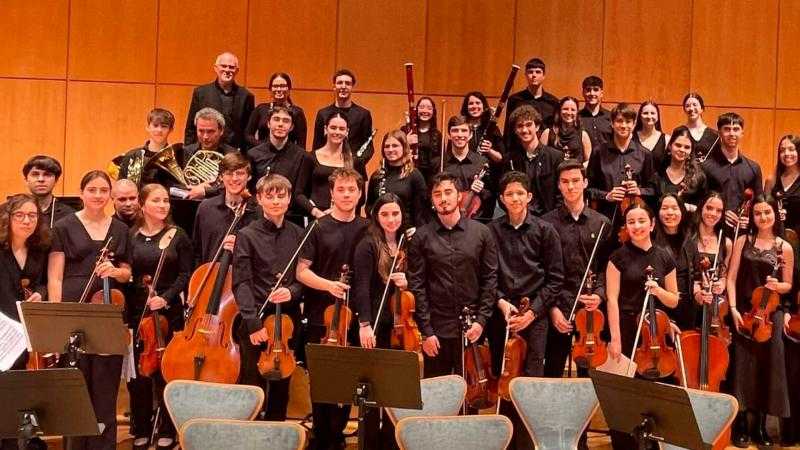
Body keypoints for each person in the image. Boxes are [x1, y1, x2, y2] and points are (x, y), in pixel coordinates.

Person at [48, 170, 131, 450]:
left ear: (110, 195)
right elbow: (55, 277)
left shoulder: (120, 229)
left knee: (106, 386)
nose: (98, 195)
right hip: (74, 309)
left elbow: (127, 273)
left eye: (103, 190)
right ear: (81, 193)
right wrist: (58, 321)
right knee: (76, 387)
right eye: (92, 190)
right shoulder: (63, 226)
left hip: (107, 311)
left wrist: (115, 271)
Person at [488, 171, 563, 450]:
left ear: (529, 196)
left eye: (520, 193)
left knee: (531, 383)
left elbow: (555, 279)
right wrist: (501, 302)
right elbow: (487, 276)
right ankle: (507, 444)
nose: (515, 198)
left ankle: (529, 444)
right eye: (509, 194)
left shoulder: (545, 231)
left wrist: (532, 313)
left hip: (535, 317)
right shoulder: (491, 231)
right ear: (502, 198)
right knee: (504, 380)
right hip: (503, 315)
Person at [296, 168, 369, 450]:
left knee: (348, 382)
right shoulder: (317, 227)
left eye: (352, 190)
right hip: (321, 316)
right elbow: (302, 272)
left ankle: (337, 435)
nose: (346, 195)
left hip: (355, 317)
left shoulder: (368, 227)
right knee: (321, 381)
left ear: (360, 194)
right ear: (332, 193)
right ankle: (321, 435)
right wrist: (329, 286)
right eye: (341, 189)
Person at [407, 172, 498, 379]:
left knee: (473, 391)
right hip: (437, 331)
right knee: (437, 392)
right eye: (437, 194)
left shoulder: (482, 233)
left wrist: (481, 321)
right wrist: (427, 332)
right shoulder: (421, 237)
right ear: (432, 200)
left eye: (448, 192)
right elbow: (417, 286)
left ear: (459, 196)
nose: (443, 198)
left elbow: (490, 279)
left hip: (473, 327)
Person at [605, 202, 679, 449]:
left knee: (654, 393)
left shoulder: (664, 256)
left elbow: (674, 300)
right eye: (631, 222)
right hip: (627, 329)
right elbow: (612, 300)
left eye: (641, 221)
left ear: (652, 224)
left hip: (654, 332)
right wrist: (615, 339)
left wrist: (658, 291)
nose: (636, 226)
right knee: (626, 393)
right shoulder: (617, 258)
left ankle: (653, 442)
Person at [233, 174, 304, 422]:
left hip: (288, 321)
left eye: (281, 196)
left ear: (289, 199)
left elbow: (304, 277)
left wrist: (292, 291)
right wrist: (252, 322)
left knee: (281, 386)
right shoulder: (246, 235)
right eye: (269, 196)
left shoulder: (299, 234)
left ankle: (276, 431)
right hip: (255, 318)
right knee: (252, 385)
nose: (276, 201)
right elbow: (241, 282)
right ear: (259, 199)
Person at [126, 184, 191, 450]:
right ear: (142, 205)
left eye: (166, 200)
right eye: (156, 200)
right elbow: (127, 274)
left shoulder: (178, 235)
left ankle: (167, 427)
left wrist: (166, 297)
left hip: (169, 311)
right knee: (140, 373)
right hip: (138, 312)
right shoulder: (130, 236)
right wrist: (141, 292)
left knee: (167, 371)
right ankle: (142, 426)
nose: (163, 205)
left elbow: (185, 274)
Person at [726, 194, 793, 447]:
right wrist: (733, 308)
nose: (763, 217)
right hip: (745, 311)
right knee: (742, 367)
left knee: (768, 368)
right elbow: (731, 278)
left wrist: (778, 285)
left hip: (771, 315)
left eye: (767, 212)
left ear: (775, 214)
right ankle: (742, 423)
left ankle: (762, 426)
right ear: (752, 216)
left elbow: (788, 284)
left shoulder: (784, 247)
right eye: (757, 213)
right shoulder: (743, 241)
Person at [542, 160, 612, 380]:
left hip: (591, 309)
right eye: (565, 182)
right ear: (559, 185)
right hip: (559, 306)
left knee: (588, 375)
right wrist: (552, 308)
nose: (570, 186)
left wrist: (599, 295)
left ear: (585, 183)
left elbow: (606, 267)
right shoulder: (545, 224)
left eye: (575, 180)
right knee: (552, 370)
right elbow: (542, 271)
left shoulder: (602, 223)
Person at [352, 192, 408, 449]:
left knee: (396, 389)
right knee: (373, 390)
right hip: (374, 322)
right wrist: (364, 325)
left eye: (395, 213)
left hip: (401, 325)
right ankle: (370, 443)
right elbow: (361, 287)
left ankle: (392, 442)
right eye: (385, 214)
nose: (391, 219)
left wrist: (407, 281)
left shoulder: (408, 243)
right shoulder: (367, 244)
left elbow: (420, 280)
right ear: (376, 216)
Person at [0, 195, 49, 368]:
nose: (27, 221)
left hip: (25, 331)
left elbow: (44, 282)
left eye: (32, 215)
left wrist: (40, 294)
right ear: (7, 217)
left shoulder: (39, 249)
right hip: (4, 329)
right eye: (19, 215)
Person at [586, 103, 658, 222]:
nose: (624, 125)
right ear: (612, 123)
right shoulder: (598, 152)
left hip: (635, 220)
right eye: (619, 121)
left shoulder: (645, 154)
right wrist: (606, 196)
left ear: (634, 124)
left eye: (628, 121)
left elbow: (654, 190)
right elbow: (588, 189)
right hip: (605, 217)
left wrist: (639, 191)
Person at [701, 112, 763, 236]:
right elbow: (700, 201)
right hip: (712, 231)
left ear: (742, 133)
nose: (732, 134)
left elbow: (759, 203)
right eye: (727, 129)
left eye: (736, 129)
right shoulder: (705, 167)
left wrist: (750, 219)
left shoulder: (753, 168)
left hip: (742, 233)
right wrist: (720, 213)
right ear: (719, 133)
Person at [192, 152, 256, 266]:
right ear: (221, 177)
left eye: (240, 173)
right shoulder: (206, 208)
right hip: (209, 274)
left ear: (249, 176)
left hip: (245, 276)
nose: (234, 178)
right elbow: (197, 250)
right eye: (229, 173)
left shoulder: (258, 212)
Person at [246, 105, 311, 217]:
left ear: (291, 127)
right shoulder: (253, 154)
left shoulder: (303, 157)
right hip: (259, 214)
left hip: (290, 216)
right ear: (268, 123)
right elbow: (250, 190)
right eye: (276, 119)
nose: (280, 124)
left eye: (286, 121)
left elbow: (301, 194)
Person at [297, 113, 362, 219]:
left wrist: (336, 211)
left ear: (347, 132)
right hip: (316, 218)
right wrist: (316, 212)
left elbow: (360, 195)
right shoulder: (310, 157)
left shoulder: (355, 161)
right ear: (325, 129)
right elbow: (299, 193)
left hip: (345, 218)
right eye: (333, 128)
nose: (337, 132)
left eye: (341, 129)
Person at [184, 52, 254, 150]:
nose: (227, 70)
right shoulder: (201, 93)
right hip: (205, 150)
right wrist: (188, 152)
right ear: (216, 68)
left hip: (233, 153)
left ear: (237, 70)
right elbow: (191, 127)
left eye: (231, 67)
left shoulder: (246, 96)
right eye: (223, 66)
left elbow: (248, 131)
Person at [312, 69, 374, 175]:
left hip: (354, 170)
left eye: (348, 83)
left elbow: (368, 147)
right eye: (340, 83)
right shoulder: (323, 114)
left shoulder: (363, 114)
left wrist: (354, 162)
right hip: (326, 169)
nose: (343, 86)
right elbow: (317, 145)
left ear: (352, 87)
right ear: (334, 87)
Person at [430, 115, 493, 219]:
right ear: (449, 135)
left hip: (473, 219)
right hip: (443, 219)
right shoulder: (438, 163)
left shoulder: (481, 162)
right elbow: (429, 195)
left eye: (464, 130)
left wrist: (481, 190)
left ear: (470, 134)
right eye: (455, 131)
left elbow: (490, 195)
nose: (460, 135)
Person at [506, 105, 564, 216]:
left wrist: (554, 218)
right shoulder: (509, 159)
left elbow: (561, 193)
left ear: (537, 127)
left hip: (549, 219)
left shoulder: (555, 157)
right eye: (520, 126)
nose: (524, 130)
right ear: (515, 130)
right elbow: (504, 192)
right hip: (520, 218)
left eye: (529, 125)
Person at [687, 192, 732, 334]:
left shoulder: (726, 242)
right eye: (709, 208)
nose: (713, 214)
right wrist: (697, 292)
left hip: (713, 305)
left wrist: (722, 284)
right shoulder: (687, 237)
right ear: (701, 208)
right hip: (689, 301)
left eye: (719, 211)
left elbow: (724, 275)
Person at [365, 130, 427, 227]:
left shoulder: (414, 175)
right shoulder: (377, 176)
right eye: (387, 146)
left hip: (407, 230)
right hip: (380, 229)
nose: (390, 150)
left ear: (404, 148)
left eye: (395, 146)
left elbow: (421, 210)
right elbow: (369, 206)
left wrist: (417, 231)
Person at [652, 194, 694, 330]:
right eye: (664, 208)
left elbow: (696, 273)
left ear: (682, 211)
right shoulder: (651, 241)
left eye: (675, 208)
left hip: (686, 308)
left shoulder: (689, 240)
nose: (670, 212)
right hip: (660, 307)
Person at [461, 91, 505, 215]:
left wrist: (489, 150)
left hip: (487, 184)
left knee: (485, 218)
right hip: (465, 181)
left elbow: (501, 158)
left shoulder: (492, 128)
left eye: (478, 103)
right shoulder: (461, 129)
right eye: (471, 103)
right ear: (466, 107)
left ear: (484, 106)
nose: (474, 106)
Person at [183, 107, 241, 200]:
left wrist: (206, 191)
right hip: (188, 201)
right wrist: (194, 188)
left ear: (221, 131)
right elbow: (176, 183)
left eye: (210, 131)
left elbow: (235, 185)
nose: (205, 136)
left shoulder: (232, 154)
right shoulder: (186, 151)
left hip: (219, 204)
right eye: (201, 131)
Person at [504, 57, 560, 153]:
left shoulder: (553, 101)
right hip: (519, 151)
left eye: (538, 72)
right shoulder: (515, 100)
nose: (534, 75)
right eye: (530, 72)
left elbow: (555, 130)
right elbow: (508, 130)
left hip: (545, 152)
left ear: (544, 76)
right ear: (525, 75)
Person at [116, 108, 177, 188]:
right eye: (155, 125)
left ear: (171, 129)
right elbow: (121, 188)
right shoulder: (131, 156)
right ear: (148, 127)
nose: (159, 130)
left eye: (164, 126)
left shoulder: (177, 158)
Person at [245, 72, 307, 148]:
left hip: (288, 154)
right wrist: (263, 147)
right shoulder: (260, 109)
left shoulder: (297, 112)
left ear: (289, 89)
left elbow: (301, 144)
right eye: (275, 86)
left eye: (282, 86)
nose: (279, 89)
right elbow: (248, 135)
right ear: (270, 89)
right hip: (262, 153)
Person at [656, 127, 707, 213]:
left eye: (687, 147)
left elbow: (703, 209)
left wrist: (688, 207)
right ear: (670, 146)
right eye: (678, 145)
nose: (682, 150)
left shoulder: (699, 178)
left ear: (691, 151)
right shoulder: (657, 176)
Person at [22, 155, 74, 229]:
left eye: (47, 175)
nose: (41, 179)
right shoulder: (11, 212)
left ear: (56, 181)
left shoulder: (69, 215)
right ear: (26, 180)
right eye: (35, 174)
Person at [540, 96, 592, 163]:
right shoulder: (547, 133)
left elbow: (589, 161)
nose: (569, 113)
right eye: (565, 109)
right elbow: (540, 160)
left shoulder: (583, 135)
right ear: (559, 111)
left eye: (573, 110)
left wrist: (581, 167)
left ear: (577, 112)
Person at [765, 135, 800, 233]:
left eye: (791, 149)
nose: (786, 153)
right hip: (776, 235)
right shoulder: (771, 180)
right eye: (782, 150)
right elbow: (764, 209)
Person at [405, 96, 442, 183]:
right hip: (409, 176)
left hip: (430, 178)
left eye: (429, 108)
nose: (425, 111)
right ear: (416, 111)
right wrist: (406, 142)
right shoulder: (406, 130)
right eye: (421, 107)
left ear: (433, 112)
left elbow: (440, 158)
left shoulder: (437, 134)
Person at [677, 92, 719, 162]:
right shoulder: (679, 132)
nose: (691, 108)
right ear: (684, 110)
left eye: (694, 105)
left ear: (702, 108)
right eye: (687, 106)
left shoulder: (714, 135)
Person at [578, 75, 612, 151]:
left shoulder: (611, 117)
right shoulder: (576, 117)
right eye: (588, 90)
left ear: (601, 93)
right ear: (583, 93)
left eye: (596, 90)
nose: (592, 93)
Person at [633, 100, 670, 168]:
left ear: (658, 116)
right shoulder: (631, 138)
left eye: (652, 113)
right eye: (645, 113)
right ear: (640, 116)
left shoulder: (667, 139)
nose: (649, 116)